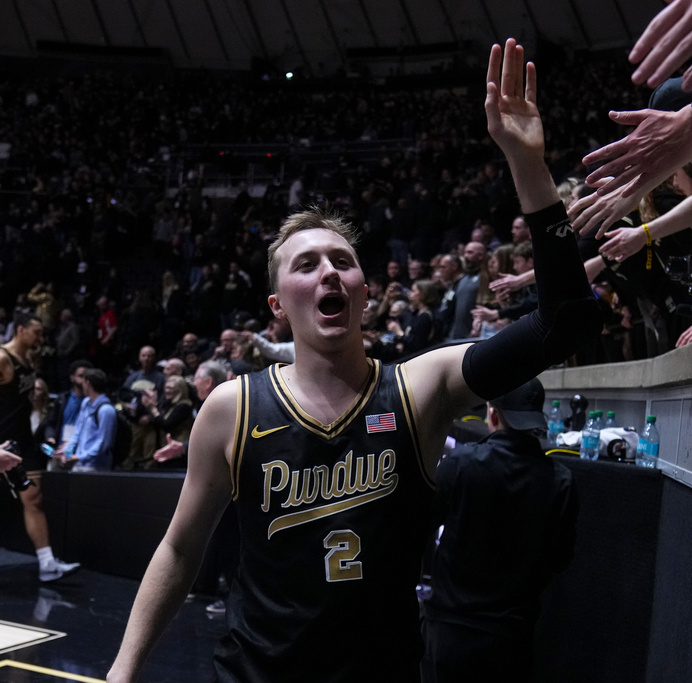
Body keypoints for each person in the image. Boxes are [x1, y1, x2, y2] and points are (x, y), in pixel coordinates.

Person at [108, 38, 601, 682]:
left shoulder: (421, 388)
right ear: (278, 305)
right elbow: (180, 547)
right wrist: (123, 670)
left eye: (343, 261)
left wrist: (526, 163)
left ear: (367, 291)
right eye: (305, 265)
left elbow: (565, 318)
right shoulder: (233, 407)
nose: (328, 274)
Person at [420, 378, 577, 683]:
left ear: (492, 414)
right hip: (511, 638)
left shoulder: (460, 463)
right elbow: (560, 560)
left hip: (449, 631)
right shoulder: (561, 480)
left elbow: (419, 527)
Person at [0, 313, 80, 581]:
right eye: (35, 332)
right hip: (3, 439)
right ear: (20, 330)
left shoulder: (29, 361)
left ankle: (47, 564)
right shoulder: (2, 358)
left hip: (24, 441)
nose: (40, 338)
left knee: (34, 498)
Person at [55, 368, 117, 473]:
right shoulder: (86, 402)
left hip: (96, 467)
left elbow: (102, 444)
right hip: (79, 464)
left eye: (83, 383)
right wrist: (67, 451)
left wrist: (80, 457)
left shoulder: (106, 410)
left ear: (87, 383)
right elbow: (77, 431)